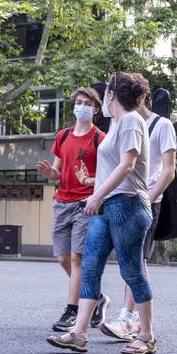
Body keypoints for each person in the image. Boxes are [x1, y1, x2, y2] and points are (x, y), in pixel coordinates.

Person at [47, 72, 155, 354]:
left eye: (106, 91)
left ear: (111, 95)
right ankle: (79, 334)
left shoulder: (131, 120)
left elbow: (128, 166)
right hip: (106, 206)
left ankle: (146, 336)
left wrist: (95, 195)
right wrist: (92, 185)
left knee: (131, 271)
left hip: (128, 206)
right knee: (90, 266)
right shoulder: (118, 123)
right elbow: (111, 169)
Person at [99, 75, 177, 341]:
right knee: (130, 260)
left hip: (147, 202)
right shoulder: (120, 124)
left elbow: (168, 172)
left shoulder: (162, 125)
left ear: (142, 96)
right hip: (122, 201)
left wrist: (147, 198)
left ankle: (128, 319)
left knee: (138, 260)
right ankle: (128, 319)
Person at [37, 87, 109, 333]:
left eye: (88, 103)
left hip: (85, 205)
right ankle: (96, 296)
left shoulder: (101, 138)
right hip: (61, 202)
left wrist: (90, 182)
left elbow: (109, 175)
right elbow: (57, 172)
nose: (82, 106)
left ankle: (72, 310)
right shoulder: (63, 136)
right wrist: (50, 174)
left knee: (78, 258)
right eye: (78, 102)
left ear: (96, 109)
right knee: (62, 258)